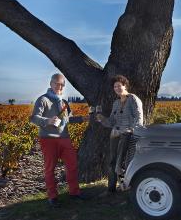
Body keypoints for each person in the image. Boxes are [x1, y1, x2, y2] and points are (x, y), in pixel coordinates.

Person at [30, 73, 88, 208]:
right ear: (51, 84)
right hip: (48, 139)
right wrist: (48, 120)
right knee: (50, 168)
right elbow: (34, 118)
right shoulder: (43, 100)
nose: (59, 86)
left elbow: (68, 120)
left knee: (72, 165)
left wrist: (83, 119)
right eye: (57, 83)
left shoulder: (64, 102)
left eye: (62, 84)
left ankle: (74, 193)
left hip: (64, 138)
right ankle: (52, 197)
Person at [96, 75, 144, 193]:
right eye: (114, 86)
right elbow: (112, 121)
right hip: (115, 135)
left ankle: (127, 187)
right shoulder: (116, 103)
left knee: (123, 162)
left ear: (125, 86)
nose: (117, 88)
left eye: (119, 85)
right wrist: (102, 119)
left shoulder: (133, 99)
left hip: (128, 136)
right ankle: (111, 190)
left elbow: (139, 118)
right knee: (112, 162)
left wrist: (131, 130)